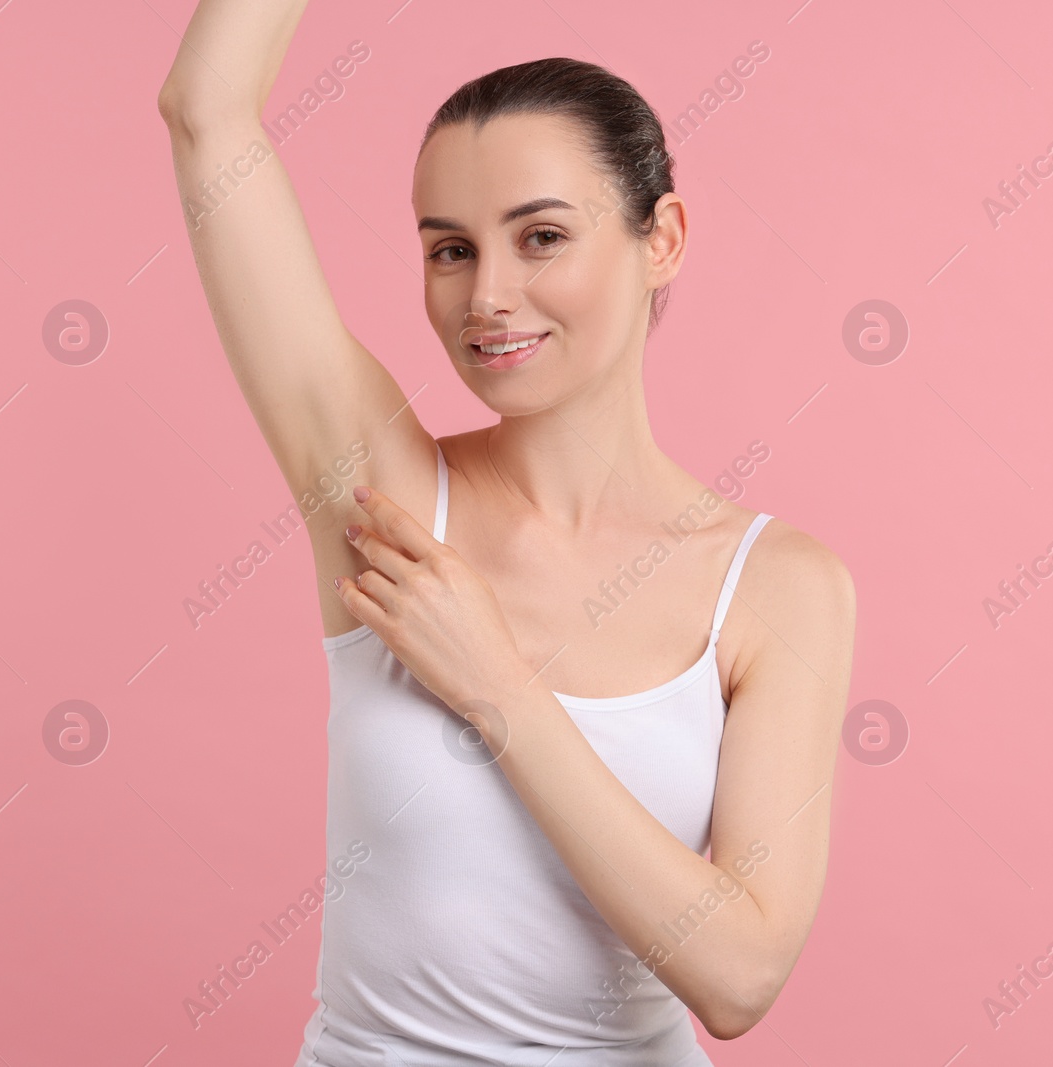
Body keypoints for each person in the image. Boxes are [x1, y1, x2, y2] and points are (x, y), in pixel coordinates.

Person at [158, 3, 856, 1063]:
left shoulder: (775, 586)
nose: (486, 296)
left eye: (541, 236)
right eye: (449, 249)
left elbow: (739, 973)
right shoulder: (384, 501)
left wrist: (498, 687)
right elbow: (206, 111)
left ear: (659, 239)